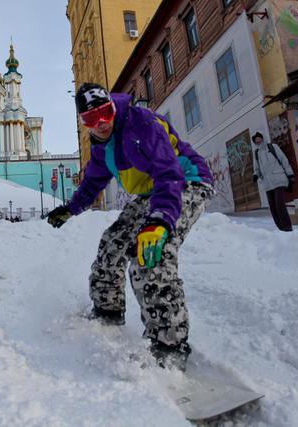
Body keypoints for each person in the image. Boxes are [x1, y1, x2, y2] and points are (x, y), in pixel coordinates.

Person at [46, 83, 214, 371]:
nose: (100, 124)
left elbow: (168, 174)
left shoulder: (142, 124)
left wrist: (159, 221)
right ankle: (107, 311)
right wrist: (70, 208)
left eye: (104, 113)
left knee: (150, 254)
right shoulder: (100, 148)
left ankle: (169, 344)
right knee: (112, 243)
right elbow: (91, 185)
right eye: (90, 119)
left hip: (186, 182)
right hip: (152, 193)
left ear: (113, 107)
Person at [252, 132, 294, 232]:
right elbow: (257, 168)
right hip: (267, 183)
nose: (258, 142)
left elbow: (283, 160)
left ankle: (287, 227)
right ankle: (280, 228)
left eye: (259, 139)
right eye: (256, 141)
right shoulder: (257, 153)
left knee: (279, 204)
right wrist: (255, 175)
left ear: (263, 138)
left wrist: (290, 175)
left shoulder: (273, 147)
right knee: (272, 207)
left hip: (279, 178)